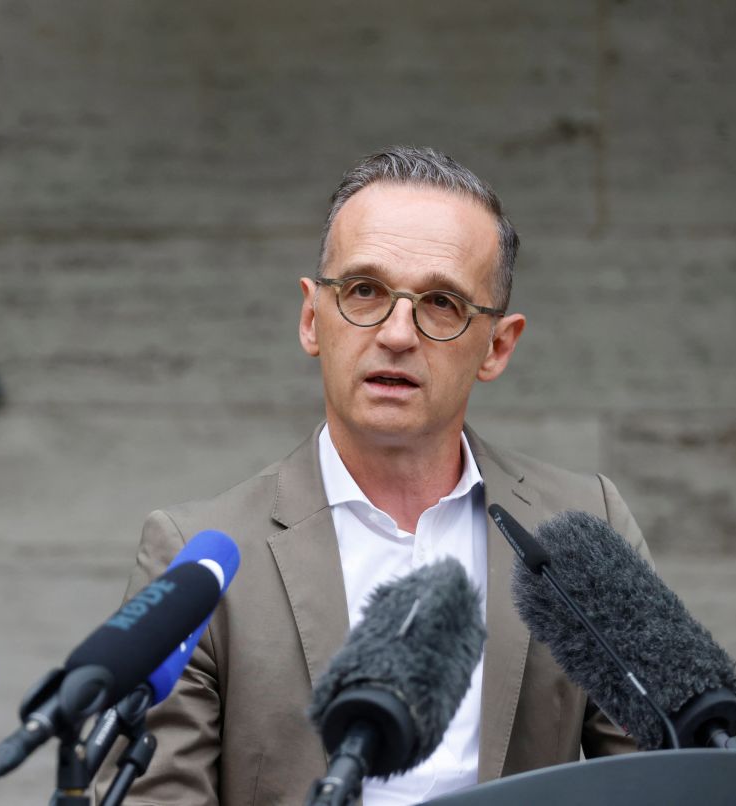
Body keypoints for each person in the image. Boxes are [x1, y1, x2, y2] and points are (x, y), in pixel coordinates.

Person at [102, 146, 650, 805]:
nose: (396, 333)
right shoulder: (200, 557)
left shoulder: (581, 526)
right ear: (312, 319)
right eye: (364, 290)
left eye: (442, 302)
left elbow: (667, 777)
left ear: (498, 346)